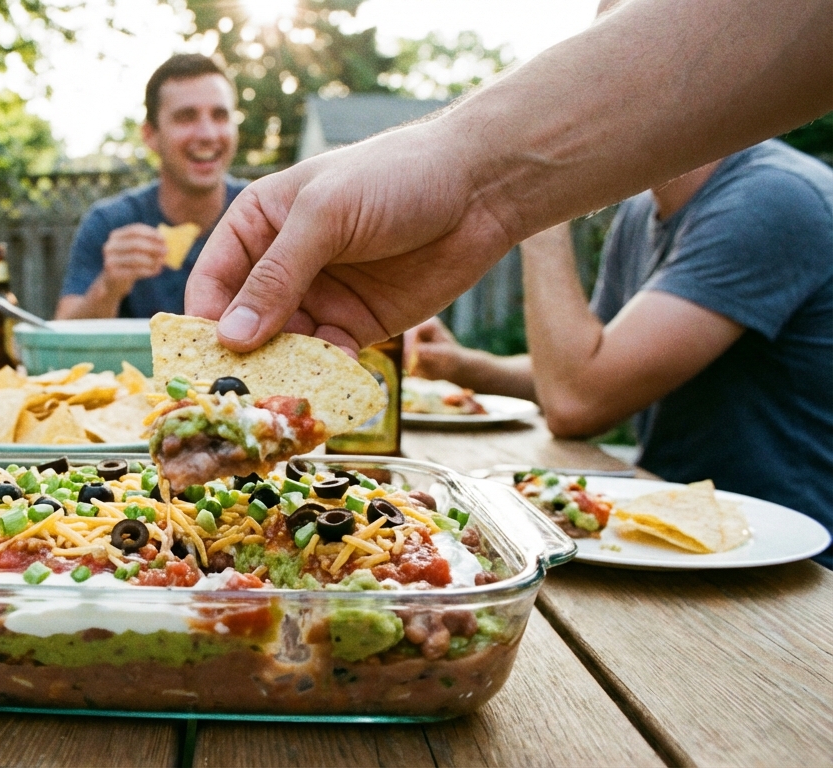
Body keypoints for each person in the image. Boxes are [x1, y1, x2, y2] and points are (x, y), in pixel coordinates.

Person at [184, 0, 833, 355]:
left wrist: (507, 199)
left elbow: (583, 395)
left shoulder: (772, 199)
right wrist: (484, 192)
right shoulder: (640, 216)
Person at [408, 140, 833, 566]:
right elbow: (583, 367)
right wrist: (462, 366)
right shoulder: (641, 209)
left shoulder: (771, 199)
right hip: (654, 539)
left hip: (785, 565)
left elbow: (578, 402)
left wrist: (536, 214)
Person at [57, 54, 246, 319]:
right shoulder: (110, 223)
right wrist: (109, 285)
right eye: (186, 117)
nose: (208, 134)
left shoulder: (263, 214)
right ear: (150, 136)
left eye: (220, 115)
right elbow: (64, 337)